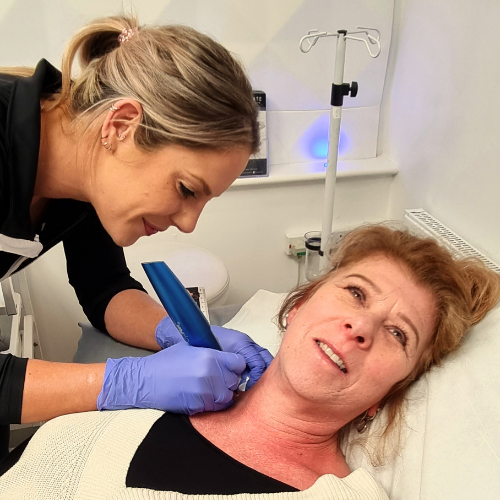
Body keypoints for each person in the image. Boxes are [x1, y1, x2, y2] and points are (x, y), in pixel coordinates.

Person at [0, 224, 497, 499]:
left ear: (388, 394)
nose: (362, 328)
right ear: (298, 305)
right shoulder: (150, 399)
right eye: (355, 293)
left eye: (397, 333)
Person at [0, 15, 273, 461]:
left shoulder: (86, 173)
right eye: (186, 189)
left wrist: (179, 333)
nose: (189, 224)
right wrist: (124, 381)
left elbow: (104, 288)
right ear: (121, 126)